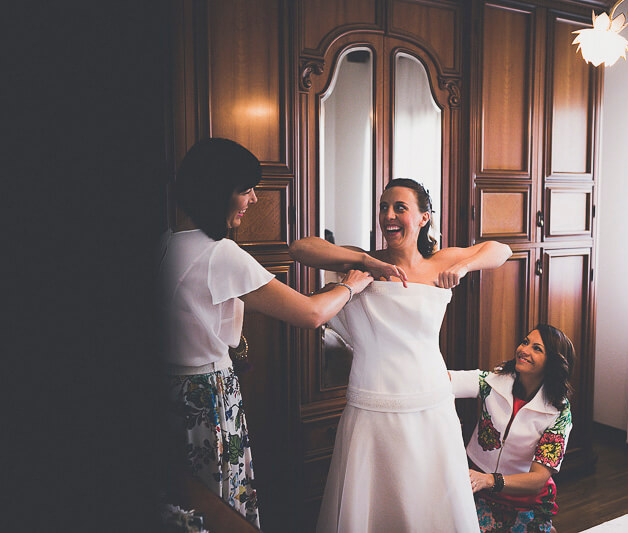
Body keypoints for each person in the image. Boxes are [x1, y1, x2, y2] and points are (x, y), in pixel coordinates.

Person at [158, 137, 373, 528]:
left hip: (168, 394)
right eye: (246, 190)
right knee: (217, 507)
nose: (254, 199)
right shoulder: (220, 254)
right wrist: (351, 285)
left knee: (181, 500)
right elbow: (310, 314)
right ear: (219, 192)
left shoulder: (164, 244)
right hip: (206, 397)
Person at [289, 177, 512, 532]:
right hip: (372, 401)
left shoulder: (440, 262)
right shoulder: (365, 264)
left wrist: (464, 266)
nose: (388, 215)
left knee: (430, 499)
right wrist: (365, 260)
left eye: (400, 208)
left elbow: (501, 250)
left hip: (430, 400)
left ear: (424, 217)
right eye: (384, 207)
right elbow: (301, 248)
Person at [448, 324, 575, 533]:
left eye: (537, 348)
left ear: (552, 363)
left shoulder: (559, 413)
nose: (524, 350)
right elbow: (444, 380)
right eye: (525, 342)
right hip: (477, 490)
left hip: (524, 500)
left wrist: (489, 480)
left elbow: (538, 479)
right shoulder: (491, 383)